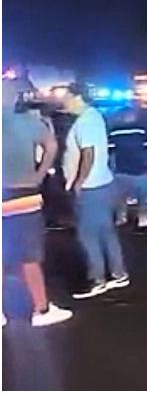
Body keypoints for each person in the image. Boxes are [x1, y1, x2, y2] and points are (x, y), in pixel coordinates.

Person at [2, 78, 73, 326]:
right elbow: (52, 145)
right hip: (24, 194)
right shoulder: (29, 122)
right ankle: (41, 310)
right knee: (29, 256)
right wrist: (39, 174)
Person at [62, 83, 130, 298]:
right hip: (101, 183)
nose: (64, 102)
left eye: (67, 97)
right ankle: (118, 274)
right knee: (105, 232)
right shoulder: (94, 117)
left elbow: (88, 153)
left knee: (87, 234)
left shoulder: (86, 121)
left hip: (92, 187)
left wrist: (79, 182)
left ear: (78, 97)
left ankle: (97, 279)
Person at [109, 108, 147, 229]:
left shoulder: (114, 131)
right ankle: (142, 218)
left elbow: (110, 148)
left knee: (121, 196)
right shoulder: (140, 129)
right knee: (143, 195)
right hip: (140, 168)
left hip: (122, 168)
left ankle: (121, 217)